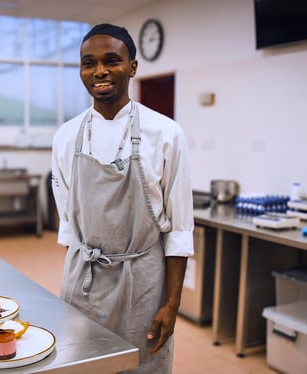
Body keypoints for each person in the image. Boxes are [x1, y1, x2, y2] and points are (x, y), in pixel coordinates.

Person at [51, 23, 194, 373]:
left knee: (141, 366)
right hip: (82, 282)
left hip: (142, 285)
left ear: (132, 67)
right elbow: (69, 226)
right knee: (81, 365)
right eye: (89, 63)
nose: (99, 71)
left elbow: (178, 230)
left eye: (111, 60)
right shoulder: (66, 137)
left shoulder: (165, 134)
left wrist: (172, 304)